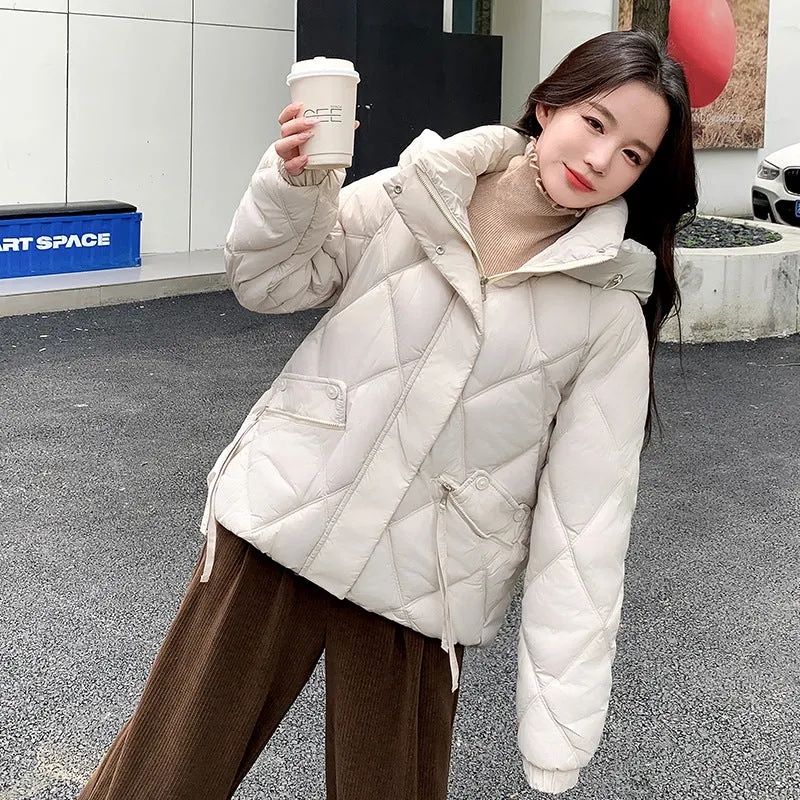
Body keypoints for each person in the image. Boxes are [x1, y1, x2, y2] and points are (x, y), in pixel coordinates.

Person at [79, 29, 697, 800]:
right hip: (290, 510)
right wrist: (297, 187)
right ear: (549, 105)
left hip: (426, 580)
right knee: (162, 777)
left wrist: (559, 720)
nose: (601, 159)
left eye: (632, 153)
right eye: (594, 122)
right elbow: (271, 281)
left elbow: (586, 524)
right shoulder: (425, 189)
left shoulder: (608, 311)